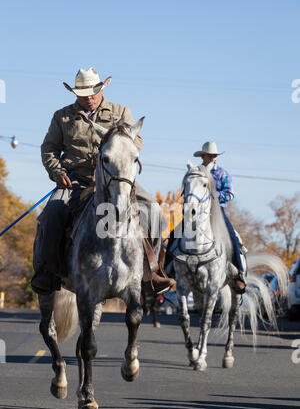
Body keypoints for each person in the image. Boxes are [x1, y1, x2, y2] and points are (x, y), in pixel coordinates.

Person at [31, 67, 175, 296]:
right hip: (76, 180)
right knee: (51, 215)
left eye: (92, 92)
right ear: (75, 93)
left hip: (117, 180)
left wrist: (115, 150)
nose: (89, 97)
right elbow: (49, 149)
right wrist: (57, 172)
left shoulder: (121, 112)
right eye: (83, 93)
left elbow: (135, 143)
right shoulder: (62, 116)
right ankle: (49, 272)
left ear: (101, 89)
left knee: (155, 212)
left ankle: (153, 272)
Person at [193, 141, 246, 292]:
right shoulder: (196, 172)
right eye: (209, 155)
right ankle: (168, 270)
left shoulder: (223, 174)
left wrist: (213, 194)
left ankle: (239, 274)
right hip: (197, 210)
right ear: (203, 157)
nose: (212, 158)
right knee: (176, 233)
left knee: (232, 237)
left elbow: (230, 194)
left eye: (214, 155)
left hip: (217, 211)